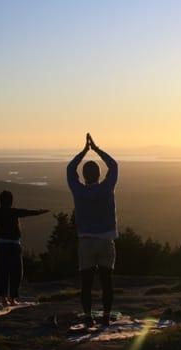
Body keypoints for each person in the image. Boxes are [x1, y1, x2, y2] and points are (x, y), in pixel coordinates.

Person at [67, 133, 118, 327]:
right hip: (106, 240)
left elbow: (70, 169)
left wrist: (83, 152)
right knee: (107, 281)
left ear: (83, 176)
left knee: (86, 283)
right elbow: (114, 166)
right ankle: (105, 315)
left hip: (86, 241)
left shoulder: (78, 191)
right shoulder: (106, 189)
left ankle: (88, 317)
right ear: (99, 175)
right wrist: (96, 149)